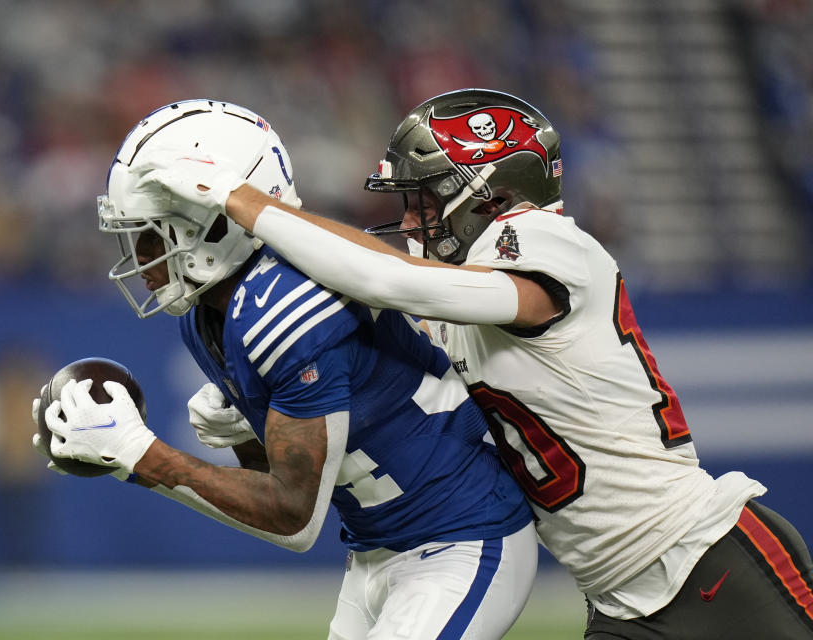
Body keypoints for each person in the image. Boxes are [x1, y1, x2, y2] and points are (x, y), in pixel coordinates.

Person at [132, 89, 813, 639]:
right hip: (615, 599)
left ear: (490, 192)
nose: (412, 220)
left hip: (705, 555)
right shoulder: (464, 302)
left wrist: (244, 203)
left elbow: (393, 281)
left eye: (425, 199)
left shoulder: (549, 244)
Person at [33, 99, 538, 640]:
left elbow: (293, 517)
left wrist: (140, 455)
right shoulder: (210, 309)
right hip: (373, 550)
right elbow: (272, 475)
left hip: (462, 538)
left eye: (156, 232)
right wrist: (245, 433)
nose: (143, 255)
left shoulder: (287, 309)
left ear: (215, 226)